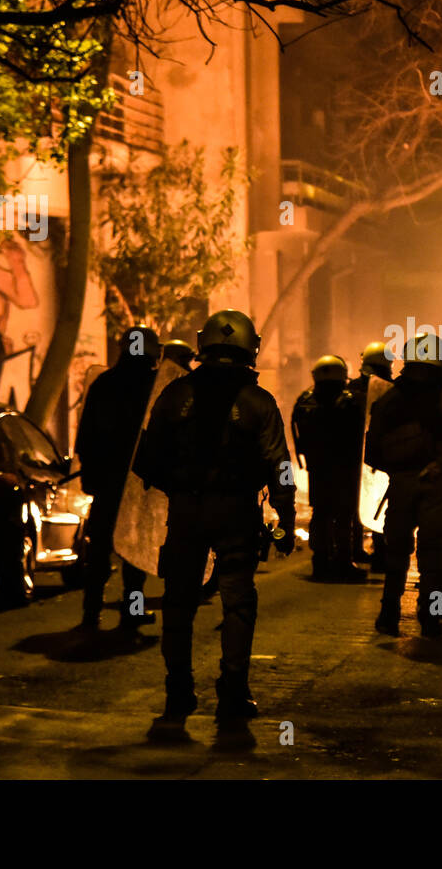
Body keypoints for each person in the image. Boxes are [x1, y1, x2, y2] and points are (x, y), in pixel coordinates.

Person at [134, 310, 296, 723]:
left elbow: (147, 461)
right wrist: (285, 514)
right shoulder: (259, 401)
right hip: (238, 512)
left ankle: (178, 691)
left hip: (186, 512)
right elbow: (280, 463)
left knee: (179, 602)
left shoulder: (175, 394)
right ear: (249, 348)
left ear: (204, 345)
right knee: (238, 602)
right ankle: (233, 693)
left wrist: (180, 489)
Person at [364, 334, 442, 638]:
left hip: (400, 487)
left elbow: (371, 450)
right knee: (434, 558)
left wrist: (399, 470)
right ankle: (430, 618)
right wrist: (441, 464)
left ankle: (388, 614)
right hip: (437, 487)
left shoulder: (388, 399)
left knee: (396, 553)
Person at [74, 325, 162, 632]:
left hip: (107, 484)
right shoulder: (154, 386)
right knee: (135, 557)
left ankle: (90, 613)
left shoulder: (104, 383)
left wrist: (90, 474)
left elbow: (85, 435)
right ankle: (132, 612)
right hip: (139, 484)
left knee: (98, 553)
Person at [292, 355, 367, 583]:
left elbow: (298, 436)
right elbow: (360, 434)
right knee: (344, 515)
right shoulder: (351, 401)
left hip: (318, 467)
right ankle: (343, 563)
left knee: (321, 513)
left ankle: (321, 562)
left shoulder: (304, 400)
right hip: (345, 467)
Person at [349, 340, 394, 573]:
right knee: (380, 503)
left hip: (351, 456)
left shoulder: (351, 388)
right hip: (380, 457)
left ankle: (354, 550)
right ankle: (380, 554)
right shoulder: (391, 390)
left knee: (353, 504)